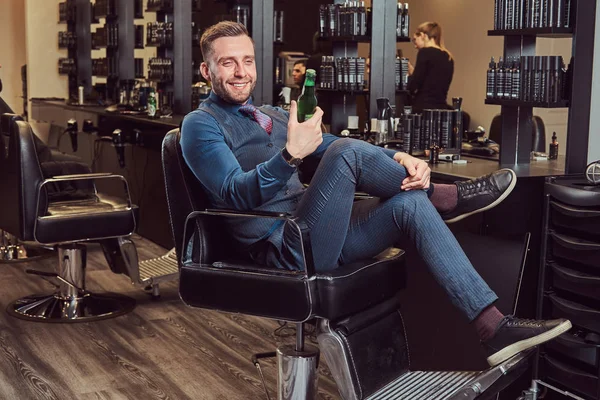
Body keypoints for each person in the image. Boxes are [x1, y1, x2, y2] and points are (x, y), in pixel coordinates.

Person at [180, 21, 571, 368]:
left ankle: (492, 326)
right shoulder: (201, 124)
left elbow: (328, 142)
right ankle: (447, 197)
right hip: (283, 247)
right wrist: (289, 155)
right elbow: (235, 194)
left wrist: (401, 156)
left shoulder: (273, 114)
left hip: (316, 229)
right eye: (228, 62)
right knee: (348, 153)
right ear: (206, 69)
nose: (240, 71)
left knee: (408, 202)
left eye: (247, 61)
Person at [407, 22, 454, 113]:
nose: (415, 45)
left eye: (415, 40)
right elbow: (433, 82)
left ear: (422, 35)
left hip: (423, 108)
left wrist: (409, 77)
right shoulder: (448, 57)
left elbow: (414, 85)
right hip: (441, 108)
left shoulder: (425, 53)